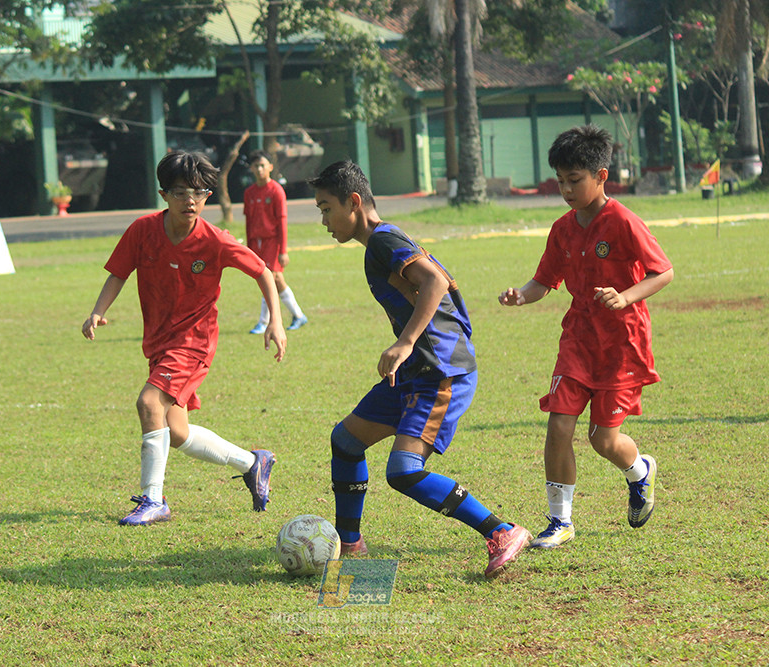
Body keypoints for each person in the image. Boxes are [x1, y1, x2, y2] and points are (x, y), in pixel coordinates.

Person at [309, 160, 531, 579]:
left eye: (325, 208)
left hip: (439, 370)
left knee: (403, 472)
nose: (322, 219)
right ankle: (350, 542)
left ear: (353, 202)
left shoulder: (382, 240)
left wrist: (405, 341)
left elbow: (435, 282)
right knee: (346, 440)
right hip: (417, 370)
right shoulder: (382, 240)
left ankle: (501, 530)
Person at [82, 151, 287, 526]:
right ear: (163, 194)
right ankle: (252, 462)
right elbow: (118, 273)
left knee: (148, 403)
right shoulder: (142, 231)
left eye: (198, 192)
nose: (190, 200)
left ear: (207, 196)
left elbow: (263, 271)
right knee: (175, 432)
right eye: (180, 192)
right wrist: (98, 309)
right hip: (159, 342)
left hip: (194, 341)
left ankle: (153, 499)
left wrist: (276, 320)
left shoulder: (215, 240)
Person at [498, 125, 673, 549]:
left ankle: (640, 471)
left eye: (574, 180)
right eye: (560, 180)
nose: (566, 189)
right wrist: (521, 296)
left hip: (621, 342)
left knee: (603, 439)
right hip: (578, 337)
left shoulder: (624, 222)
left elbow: (663, 271)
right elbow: (544, 281)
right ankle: (560, 521)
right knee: (559, 424)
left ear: (601, 176)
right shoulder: (562, 229)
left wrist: (625, 296)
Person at [243, 149, 308, 333]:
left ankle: (264, 321)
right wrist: (249, 247)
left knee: (269, 277)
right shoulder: (249, 193)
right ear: (252, 169)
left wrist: (283, 250)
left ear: (270, 167)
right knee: (276, 279)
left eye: (263, 165)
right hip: (257, 243)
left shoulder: (277, 191)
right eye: (256, 166)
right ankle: (298, 315)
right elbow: (249, 221)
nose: (260, 169)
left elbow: (282, 221)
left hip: (273, 241)